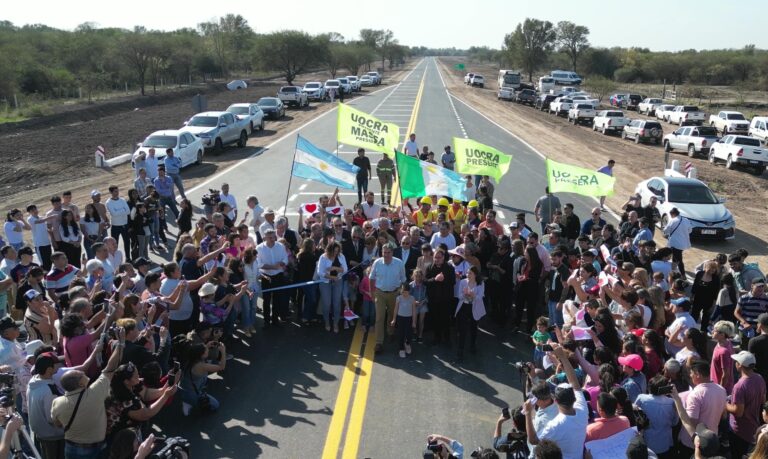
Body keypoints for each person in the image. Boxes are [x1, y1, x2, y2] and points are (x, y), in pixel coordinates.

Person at [51, 328, 124, 459]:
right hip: (95, 449)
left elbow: (57, 424)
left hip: (71, 449)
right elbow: (110, 369)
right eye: (81, 375)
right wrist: (120, 343)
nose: (83, 373)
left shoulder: (57, 402)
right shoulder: (95, 392)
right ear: (80, 384)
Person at [524, 343, 588, 459]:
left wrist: (528, 413)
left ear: (555, 400)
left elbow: (533, 441)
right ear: (574, 398)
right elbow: (575, 384)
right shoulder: (582, 409)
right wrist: (562, 357)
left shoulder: (554, 426)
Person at [675, 359, 728, 457]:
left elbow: (691, 423)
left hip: (693, 444)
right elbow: (723, 415)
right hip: (712, 441)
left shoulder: (695, 394)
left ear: (698, 374)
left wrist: (677, 401)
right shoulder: (721, 390)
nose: (690, 376)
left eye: (691, 373)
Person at [724, 351, 765, 458]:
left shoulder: (739, 386)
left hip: (739, 431)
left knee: (737, 455)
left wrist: (725, 404)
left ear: (740, 365)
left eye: (736, 362)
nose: (735, 363)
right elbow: (762, 400)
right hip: (753, 426)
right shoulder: (759, 378)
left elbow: (738, 412)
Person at [369, 243, 406, 353]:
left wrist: (402, 293)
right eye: (384, 252)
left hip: (394, 293)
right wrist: (372, 293)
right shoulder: (377, 263)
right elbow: (371, 278)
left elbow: (403, 280)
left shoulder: (399, 263)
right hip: (379, 293)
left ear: (392, 252)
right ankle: (379, 342)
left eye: (388, 252)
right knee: (380, 317)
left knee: (391, 315)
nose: (386, 255)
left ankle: (390, 333)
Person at [634, 375, 678, 458]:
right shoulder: (671, 402)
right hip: (665, 442)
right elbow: (674, 422)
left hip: (647, 441)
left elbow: (635, 414)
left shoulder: (641, 398)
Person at [179, 341, 226, 416]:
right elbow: (221, 367)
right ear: (201, 355)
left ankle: (187, 401)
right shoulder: (202, 366)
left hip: (183, 389)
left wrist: (206, 346)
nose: (208, 350)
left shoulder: (191, 359)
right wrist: (223, 351)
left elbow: (200, 354)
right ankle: (189, 402)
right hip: (191, 394)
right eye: (206, 351)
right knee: (216, 405)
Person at [257, 229, 289, 328]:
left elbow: (285, 259)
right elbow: (259, 264)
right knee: (266, 299)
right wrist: (273, 267)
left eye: (273, 237)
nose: (272, 239)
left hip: (278, 276)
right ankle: (266, 320)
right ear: (265, 237)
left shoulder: (281, 246)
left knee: (277, 299)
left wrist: (282, 263)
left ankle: (275, 319)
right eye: (270, 237)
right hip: (266, 277)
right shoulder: (259, 248)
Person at [454, 265, 484, 362]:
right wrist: (465, 295)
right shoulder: (463, 282)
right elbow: (459, 295)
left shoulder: (480, 283)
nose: (467, 274)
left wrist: (473, 295)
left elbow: (480, 296)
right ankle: (460, 351)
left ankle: (472, 345)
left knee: (473, 327)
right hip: (464, 307)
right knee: (462, 329)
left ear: (475, 274)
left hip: (474, 307)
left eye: (470, 273)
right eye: (467, 273)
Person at [316, 241, 347, 333]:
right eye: (334, 251)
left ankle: (335, 323)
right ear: (329, 250)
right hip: (325, 282)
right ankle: (327, 322)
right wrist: (332, 277)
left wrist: (335, 268)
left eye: (337, 251)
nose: (336, 253)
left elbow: (345, 269)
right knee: (327, 304)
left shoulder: (341, 256)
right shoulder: (323, 257)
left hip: (338, 282)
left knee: (337, 304)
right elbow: (320, 272)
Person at [662, 207, 691, 276]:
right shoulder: (686, 220)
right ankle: (674, 272)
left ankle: (683, 275)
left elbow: (666, 231)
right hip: (683, 243)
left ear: (673, 214)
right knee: (675, 258)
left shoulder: (673, 220)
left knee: (678, 260)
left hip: (675, 244)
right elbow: (690, 230)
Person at [391, 282, 416, 358]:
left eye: (405, 292)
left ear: (409, 291)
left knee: (409, 333)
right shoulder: (399, 298)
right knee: (401, 334)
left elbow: (414, 311)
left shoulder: (412, 299)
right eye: (402, 292)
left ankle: (407, 344)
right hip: (400, 318)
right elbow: (396, 309)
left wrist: (414, 322)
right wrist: (394, 319)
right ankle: (401, 349)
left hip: (409, 318)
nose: (404, 293)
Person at [748, 313, 768, 384]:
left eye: (757, 323)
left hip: (759, 379)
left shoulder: (754, 341)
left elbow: (750, 362)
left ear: (760, 325)